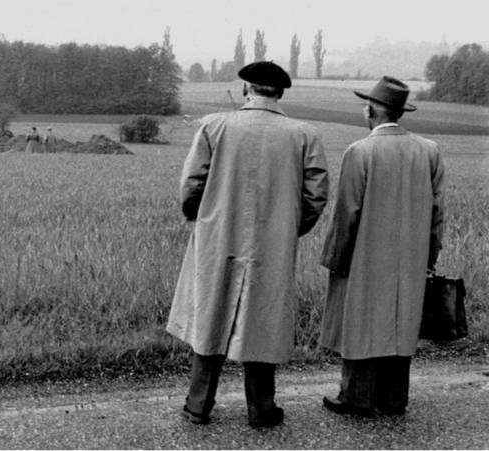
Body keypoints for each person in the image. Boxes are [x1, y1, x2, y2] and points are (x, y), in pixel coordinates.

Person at [166, 61, 329, 428]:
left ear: (245, 90)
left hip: (216, 235)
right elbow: (316, 195)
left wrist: (202, 219)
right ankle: (261, 409)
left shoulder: (214, 125)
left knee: (210, 313)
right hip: (274, 240)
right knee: (264, 318)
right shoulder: (305, 134)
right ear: (281, 93)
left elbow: (192, 184)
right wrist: (289, 228)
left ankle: (197, 406)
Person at [319, 76, 445, 417]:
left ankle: (356, 397)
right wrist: (430, 257)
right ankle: (393, 399)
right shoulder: (429, 150)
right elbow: (437, 214)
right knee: (401, 324)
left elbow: (347, 213)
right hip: (413, 258)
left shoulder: (360, 151)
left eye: (365, 104)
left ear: (372, 110)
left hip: (366, 257)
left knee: (360, 323)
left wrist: (336, 259)